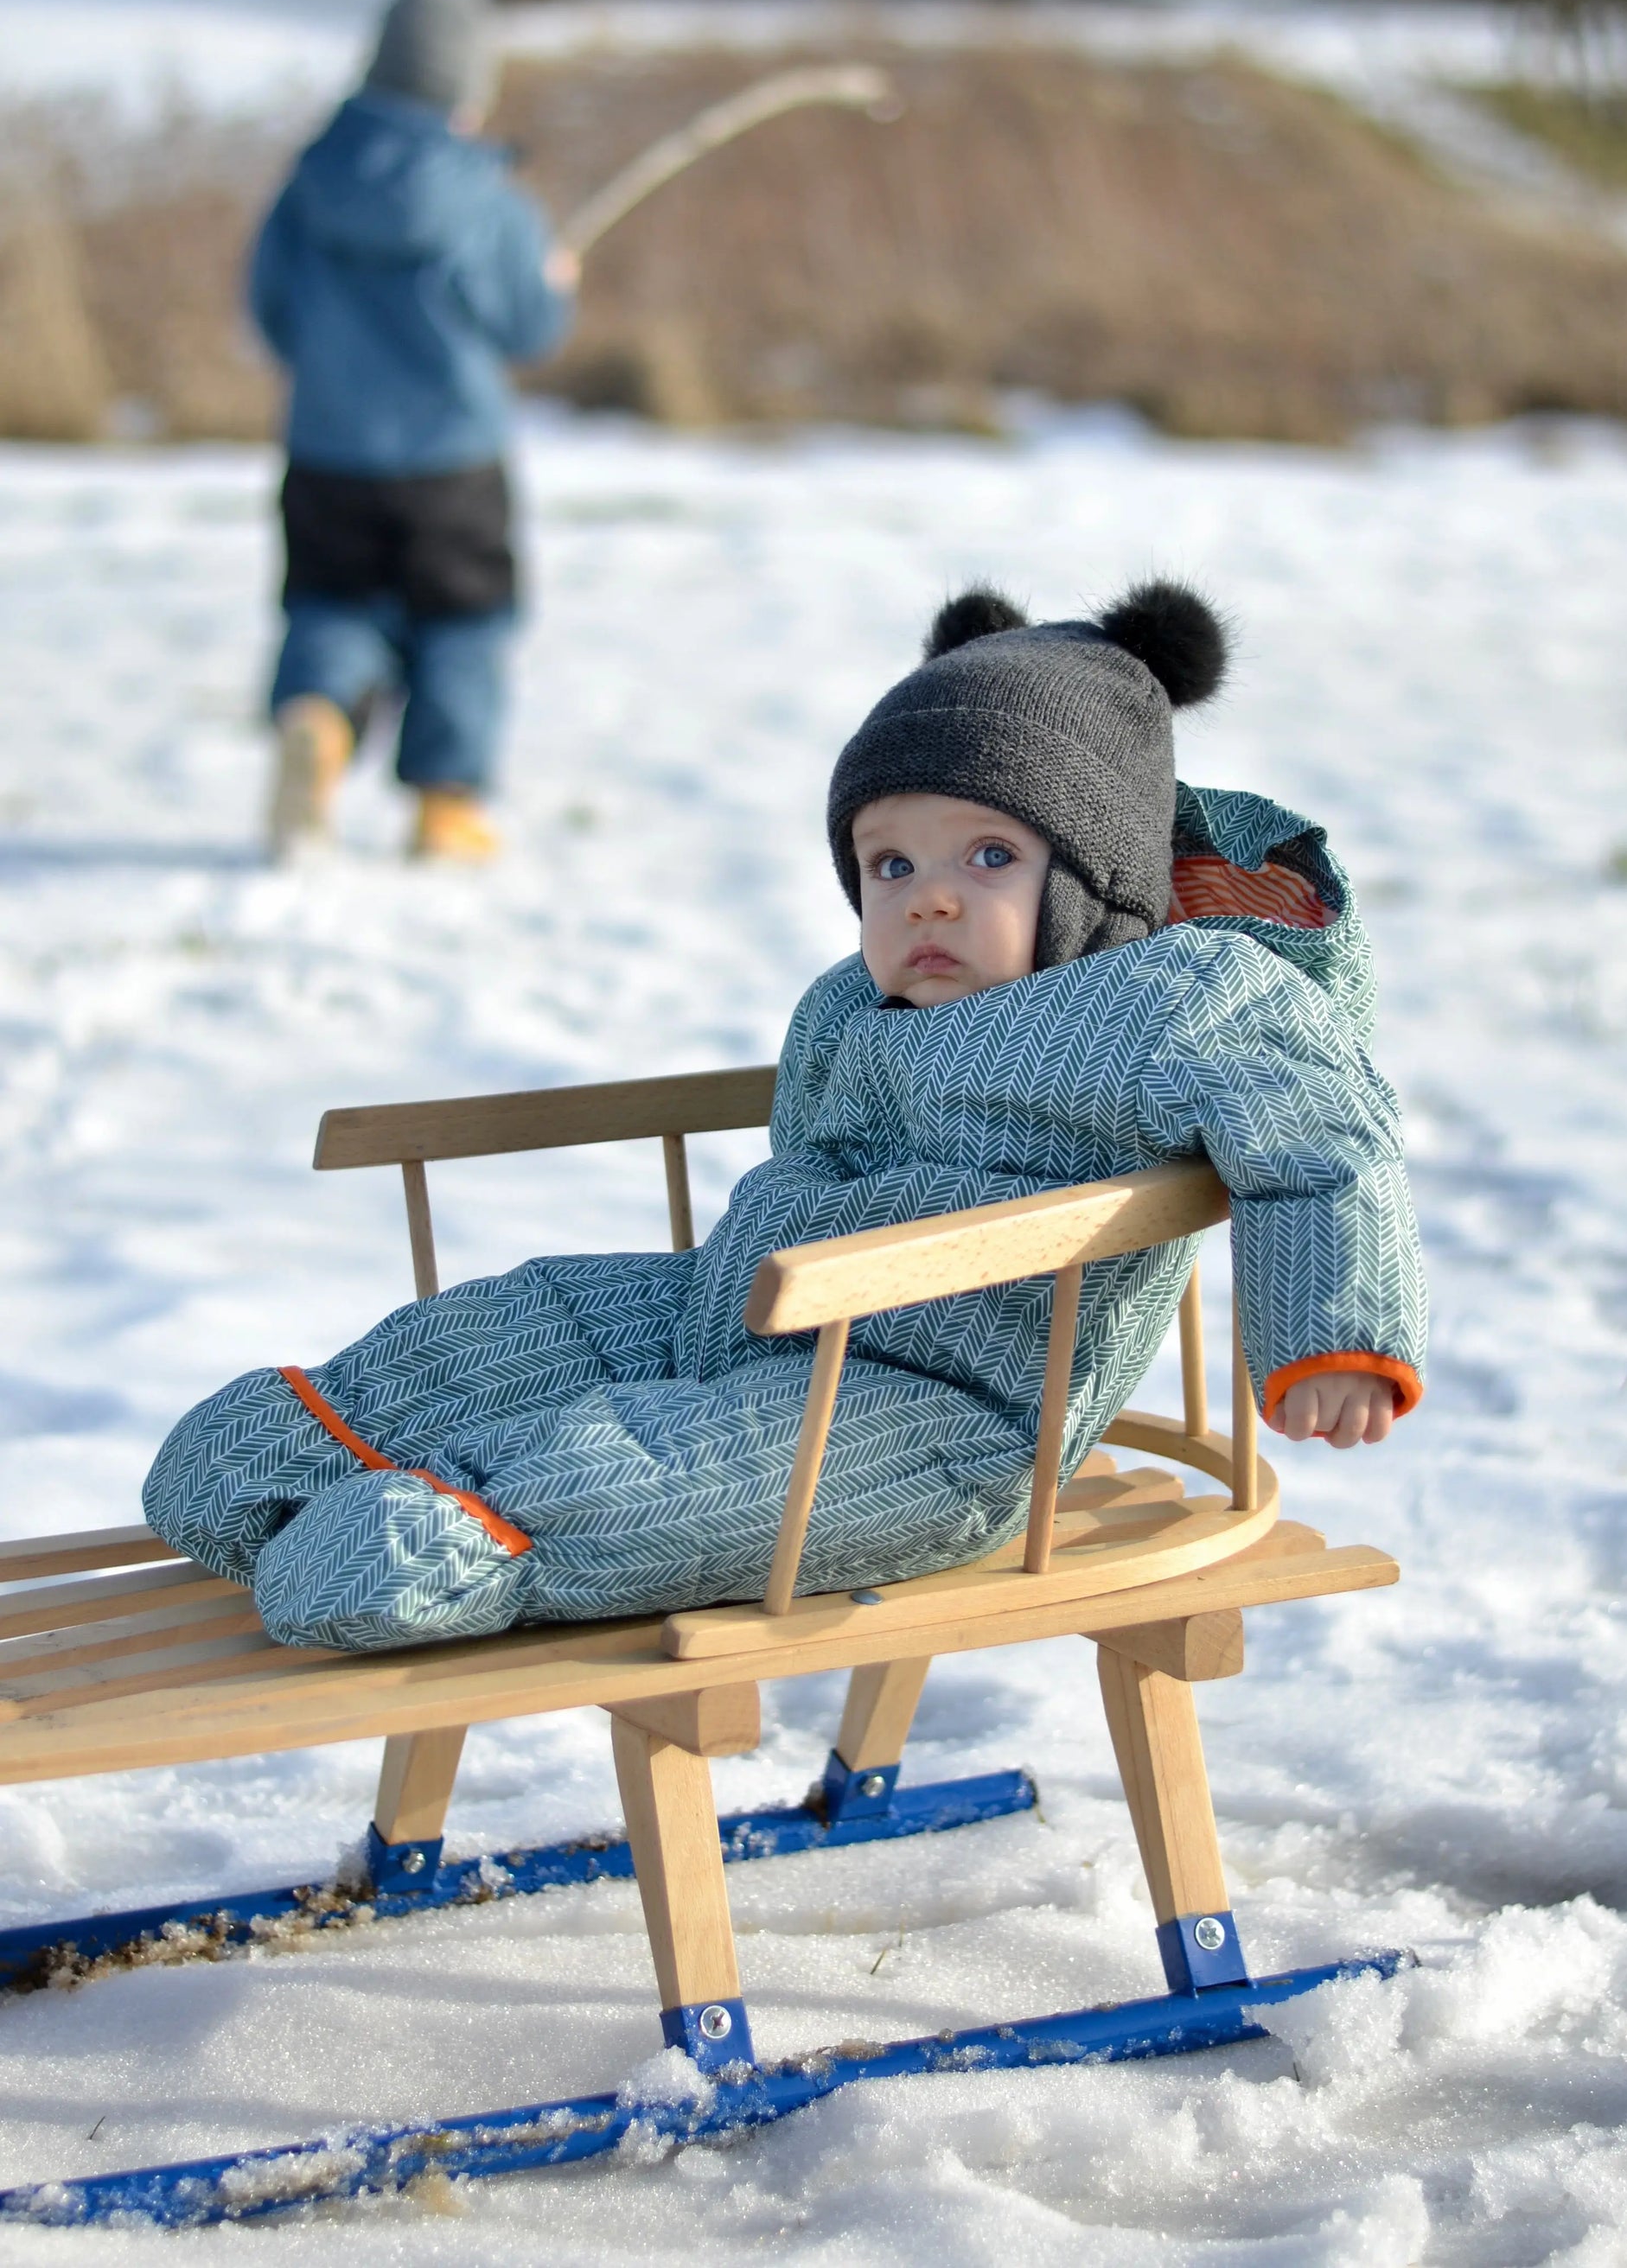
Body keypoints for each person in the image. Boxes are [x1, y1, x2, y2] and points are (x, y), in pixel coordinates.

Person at [144, 582, 1426, 1651]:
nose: (927, 898)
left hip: (940, 1411)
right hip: (746, 1307)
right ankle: (300, 1443)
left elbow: (1324, 1134)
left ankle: (462, 1531)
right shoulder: (850, 1001)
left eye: (988, 856)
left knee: (670, 1470)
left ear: (1096, 876)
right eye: (889, 862)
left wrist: (1334, 1337)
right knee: (527, 1315)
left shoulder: (1182, 996)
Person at [249, 0, 576, 863]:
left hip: (326, 450)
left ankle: (317, 717)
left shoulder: (310, 178)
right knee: (462, 622)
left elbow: (271, 305)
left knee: (332, 602)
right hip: (453, 464)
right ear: (470, 88)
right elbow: (528, 326)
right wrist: (551, 285)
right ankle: (443, 806)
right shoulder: (488, 200)